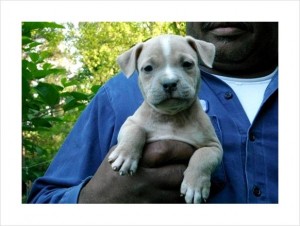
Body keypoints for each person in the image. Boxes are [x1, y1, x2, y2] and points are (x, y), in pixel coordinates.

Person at [27, 22, 278, 203]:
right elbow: (43, 202)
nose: (169, 79)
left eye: (187, 65)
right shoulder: (116, 95)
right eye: (148, 69)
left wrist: (199, 170)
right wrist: (95, 198)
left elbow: (211, 148)